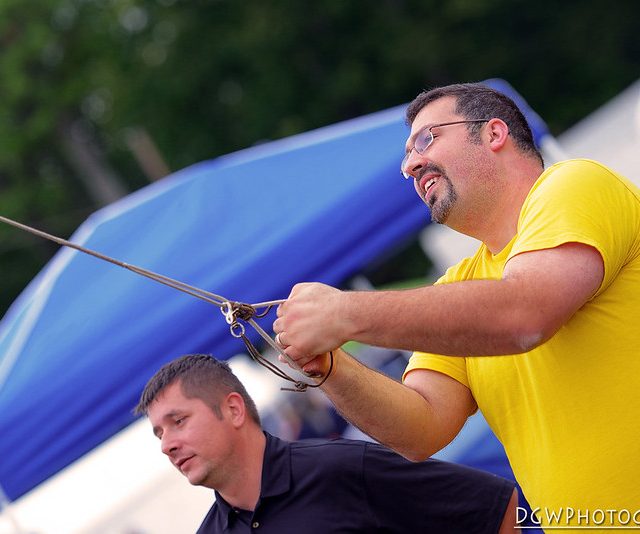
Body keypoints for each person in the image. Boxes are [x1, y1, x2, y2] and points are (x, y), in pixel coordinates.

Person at [272, 82, 640, 528]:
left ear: (494, 133)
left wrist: (345, 314)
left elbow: (526, 313)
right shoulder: (459, 286)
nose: (410, 165)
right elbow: (421, 430)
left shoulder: (574, 182)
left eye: (426, 138)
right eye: (406, 157)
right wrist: (329, 366)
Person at [135, 353, 518, 533]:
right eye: (159, 433)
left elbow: (494, 509)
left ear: (233, 409)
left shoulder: (342, 469)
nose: (167, 444)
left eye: (178, 421)